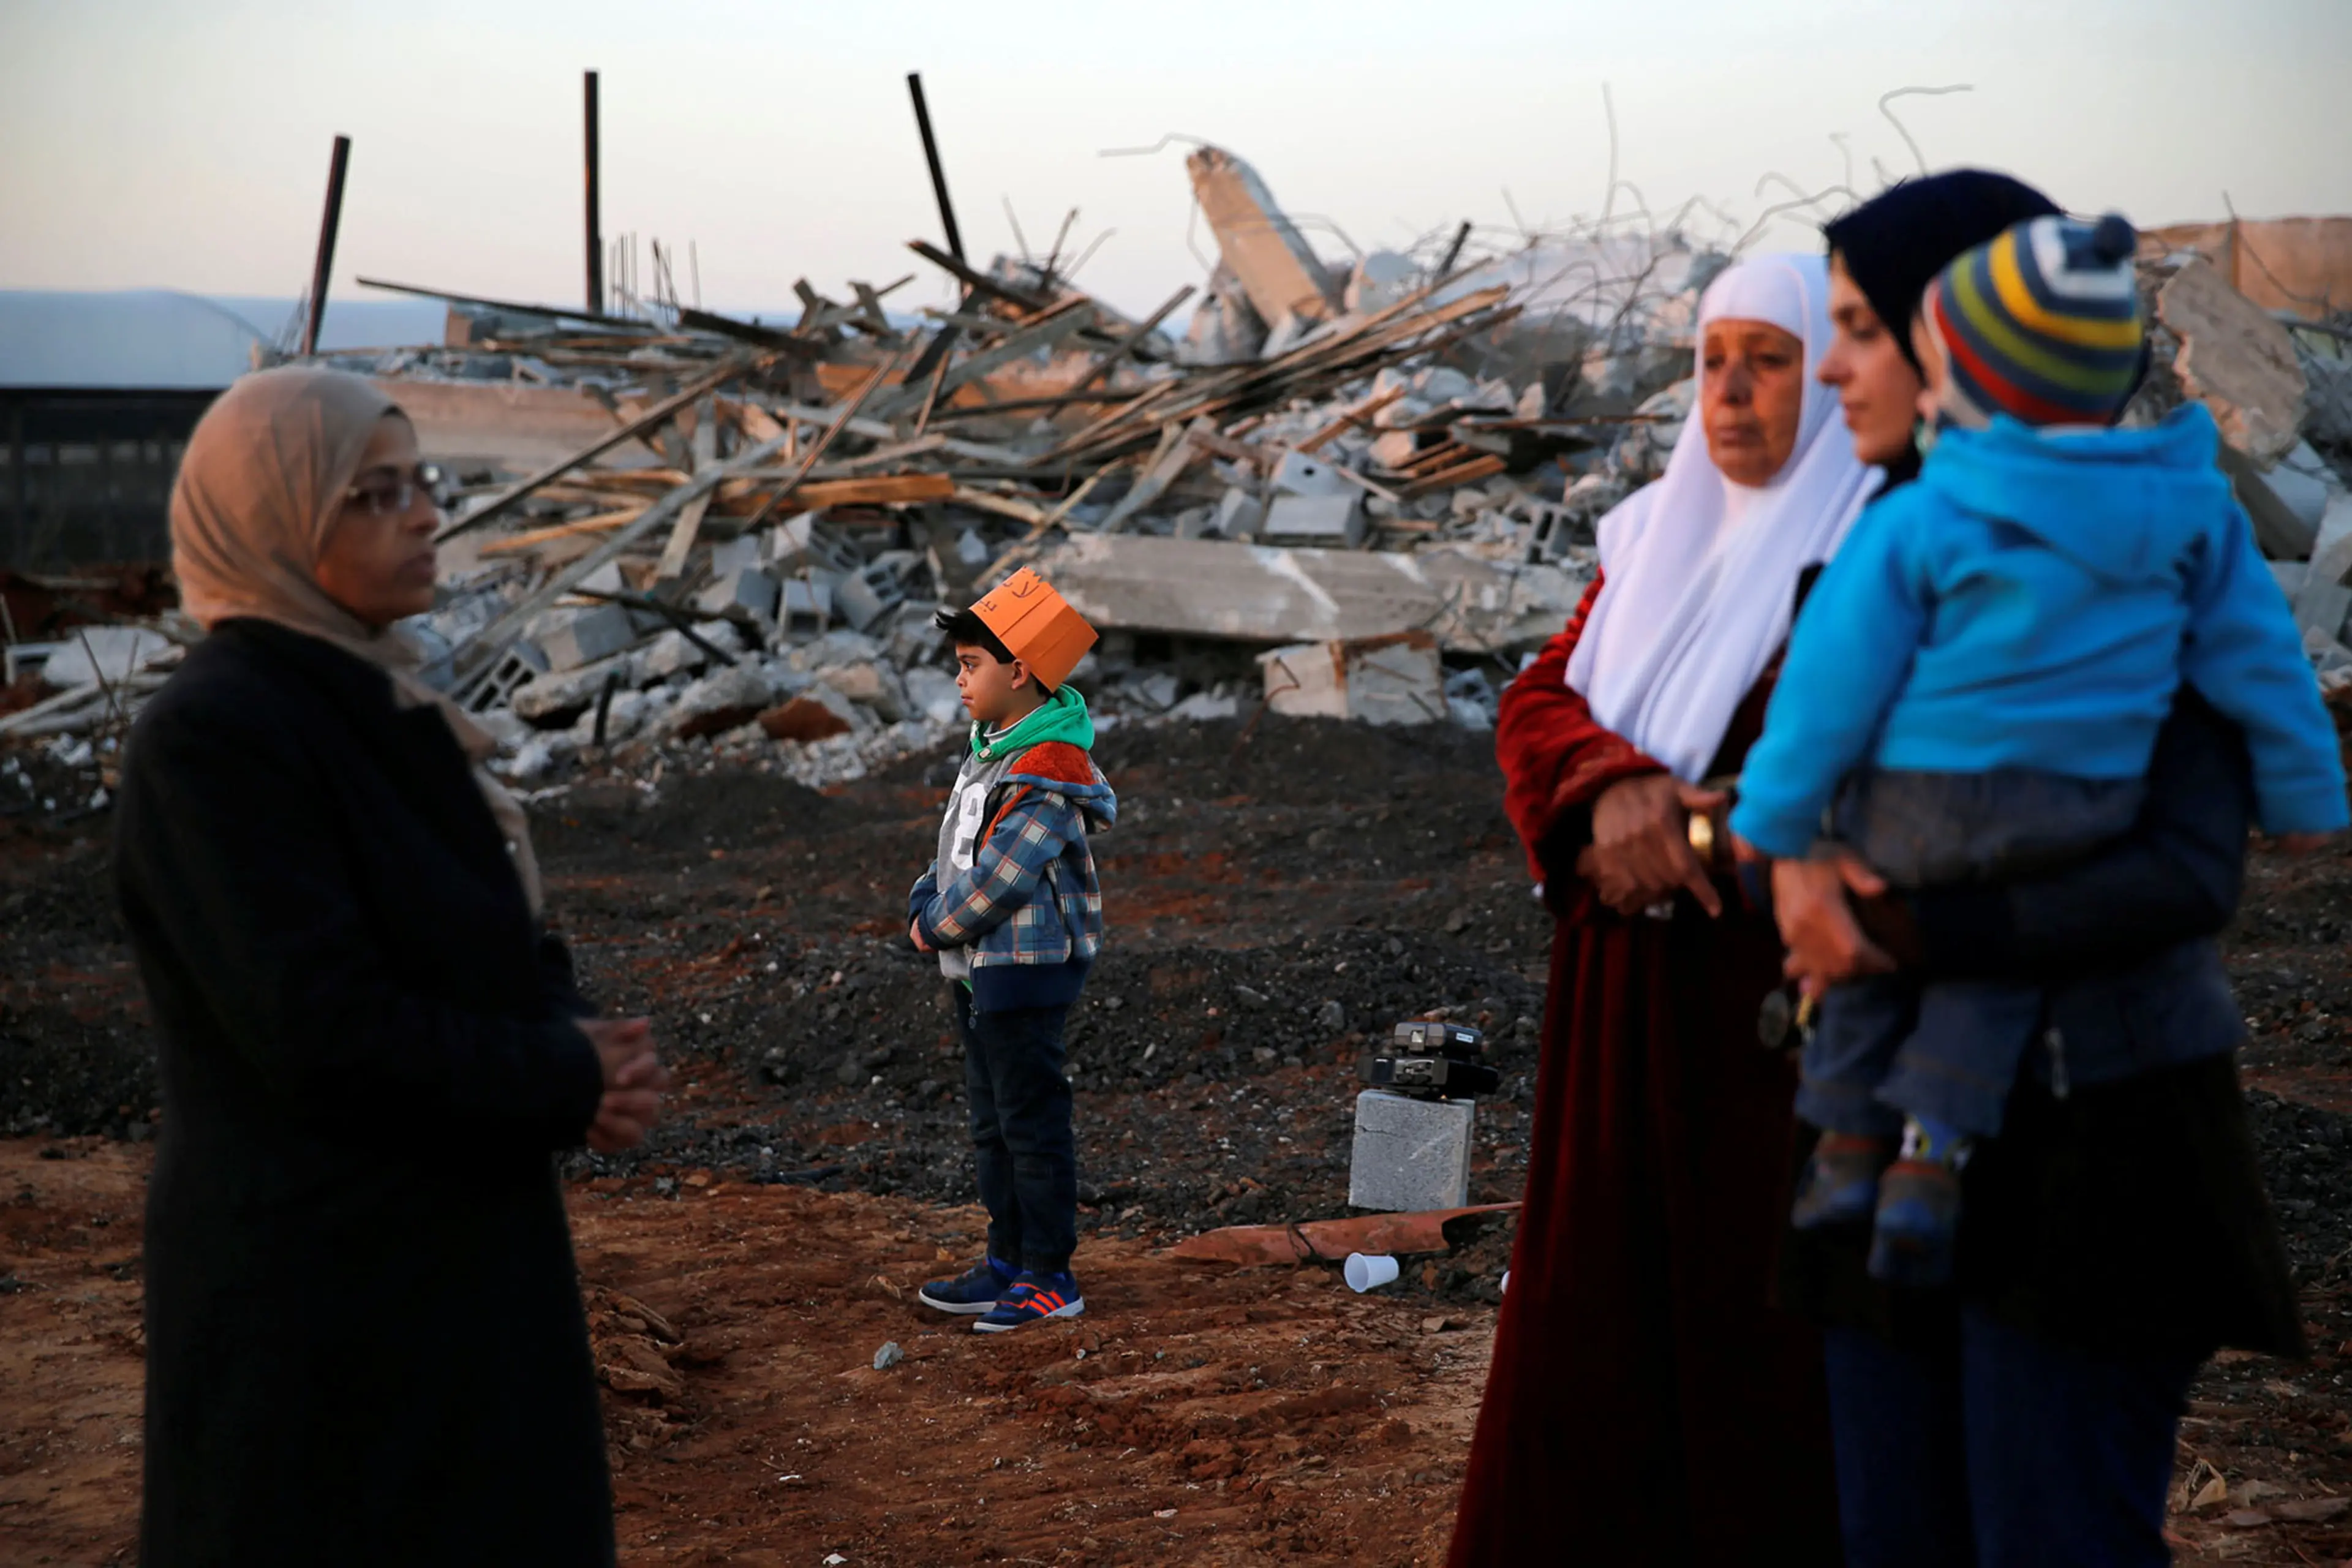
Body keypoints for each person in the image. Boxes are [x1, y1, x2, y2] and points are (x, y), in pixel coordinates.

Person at [1774, 170, 2313, 1567]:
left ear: (1954, 341)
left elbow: (2178, 874)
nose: (1825, 363)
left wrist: (1882, 923)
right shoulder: (1867, 555)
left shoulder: (2146, 555)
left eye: (1857, 327)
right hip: (1891, 1150)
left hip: (2091, 1158)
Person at [118, 366, 667, 1566]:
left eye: (420, 482)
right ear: (271, 518)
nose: (423, 514)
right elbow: (318, 1025)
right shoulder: (214, 739)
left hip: (462, 1279)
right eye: (372, 494)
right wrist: (555, 1075)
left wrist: (577, 1038)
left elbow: (493, 940)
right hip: (321, 1308)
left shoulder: (389, 705)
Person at [1735, 213, 2348, 1287]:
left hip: (1924, 802)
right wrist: (2306, 799)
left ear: (1959, 377)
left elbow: (1832, 688)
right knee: (1991, 976)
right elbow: (2264, 666)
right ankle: (1932, 1154)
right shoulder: (2193, 505)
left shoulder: (1929, 515)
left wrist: (1776, 823)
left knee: (1872, 947)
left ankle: (1844, 1143)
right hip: (2084, 802)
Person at [1450, 253, 1878, 1566]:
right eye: (1713, 360)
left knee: (1764, 1362)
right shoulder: (1649, 539)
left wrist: (1676, 823)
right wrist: (1606, 787)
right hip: (1617, 1016)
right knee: (1598, 1334)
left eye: (1772, 358)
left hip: (1770, 1028)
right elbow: (1539, 700)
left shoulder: (1870, 547)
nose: (1735, 393)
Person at [911, 569, 1117, 1333]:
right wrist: (922, 896)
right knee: (993, 1124)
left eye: (970, 664)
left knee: (1031, 1124)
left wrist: (933, 924)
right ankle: (1007, 1258)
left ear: (1020, 671)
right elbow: (956, 851)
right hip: (980, 973)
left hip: (1024, 976)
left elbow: (999, 880)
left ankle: (1049, 1275)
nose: (959, 679)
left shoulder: (1048, 770)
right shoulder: (994, 752)